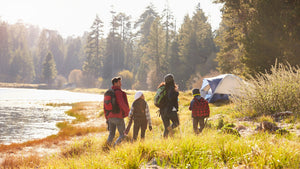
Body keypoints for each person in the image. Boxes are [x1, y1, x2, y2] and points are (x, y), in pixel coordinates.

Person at [104, 76, 130, 146]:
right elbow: (121, 104)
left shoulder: (108, 92)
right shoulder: (118, 92)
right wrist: (129, 112)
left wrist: (107, 117)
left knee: (111, 134)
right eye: (119, 82)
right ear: (115, 83)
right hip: (118, 116)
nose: (121, 84)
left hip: (110, 117)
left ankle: (107, 148)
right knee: (123, 134)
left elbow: (104, 107)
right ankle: (115, 147)